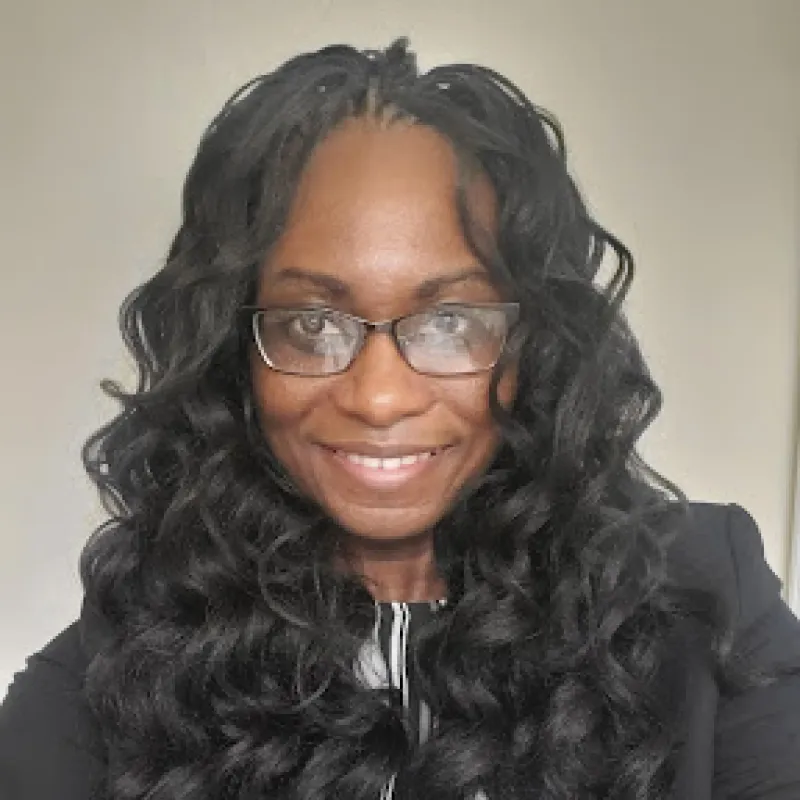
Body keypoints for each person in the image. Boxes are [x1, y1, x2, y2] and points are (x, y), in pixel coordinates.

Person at [1, 38, 799, 800]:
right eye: (311, 324)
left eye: (452, 320)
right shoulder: (139, 642)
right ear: (234, 356)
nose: (379, 398)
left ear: (532, 344)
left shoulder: (704, 596)